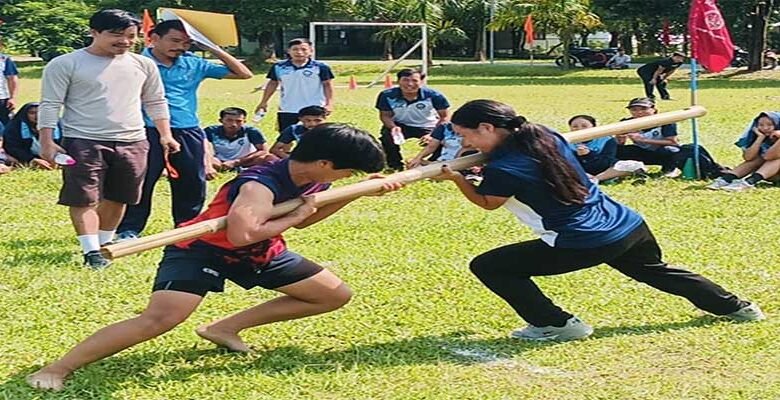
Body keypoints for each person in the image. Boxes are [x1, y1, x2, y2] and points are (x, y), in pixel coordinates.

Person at [26, 123, 403, 392]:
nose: (349, 176)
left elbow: (303, 221)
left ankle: (222, 328)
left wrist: (355, 192)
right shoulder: (259, 184)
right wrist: (296, 215)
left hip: (259, 251)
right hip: (202, 250)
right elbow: (243, 232)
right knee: (160, 318)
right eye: (349, 171)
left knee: (332, 294)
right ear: (324, 162)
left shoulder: (313, 179)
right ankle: (57, 368)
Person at [434, 99, 764, 342]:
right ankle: (737, 307)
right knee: (658, 272)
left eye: (467, 136)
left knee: (489, 266)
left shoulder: (505, 168)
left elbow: (487, 201)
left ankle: (558, 324)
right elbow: (506, 162)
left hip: (583, 241)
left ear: (488, 128)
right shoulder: (543, 136)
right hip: (628, 224)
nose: (466, 143)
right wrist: (470, 161)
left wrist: (457, 178)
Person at [37, 9, 178, 269]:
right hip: (83, 140)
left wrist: (165, 135)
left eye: (130, 36)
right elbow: (50, 104)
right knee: (83, 197)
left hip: (133, 140)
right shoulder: (66, 64)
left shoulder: (143, 64)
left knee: (120, 197)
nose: (124, 41)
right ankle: (90, 252)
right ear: (94, 32)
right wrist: (47, 141)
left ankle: (104, 245)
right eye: (116, 35)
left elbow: (156, 101)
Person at [116, 20, 253, 242]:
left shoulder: (193, 63)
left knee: (192, 182)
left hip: (187, 130)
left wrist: (212, 48)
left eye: (187, 42)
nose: (180, 46)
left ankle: (187, 228)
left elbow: (244, 74)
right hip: (146, 130)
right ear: (154, 38)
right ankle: (129, 229)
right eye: (175, 40)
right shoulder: (135, 63)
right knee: (141, 180)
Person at [376, 68, 450, 171]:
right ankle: (395, 164)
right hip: (401, 124)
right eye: (405, 80)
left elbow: (444, 117)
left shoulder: (434, 96)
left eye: (415, 81)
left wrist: (433, 134)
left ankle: (432, 163)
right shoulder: (387, 95)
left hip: (428, 125)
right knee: (387, 137)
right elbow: (385, 115)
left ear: (421, 82)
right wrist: (393, 127)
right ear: (398, 81)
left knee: (443, 139)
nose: (410, 84)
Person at [254, 38, 334, 132]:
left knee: (314, 136)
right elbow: (273, 83)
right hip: (288, 108)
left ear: (311, 51)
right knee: (285, 138)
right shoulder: (279, 66)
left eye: (304, 49)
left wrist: (329, 104)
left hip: (313, 108)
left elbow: (327, 85)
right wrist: (264, 102)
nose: (299, 52)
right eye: (295, 49)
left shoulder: (320, 67)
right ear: (289, 51)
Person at [707, 111, 780, 191]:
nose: (765, 128)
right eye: (761, 125)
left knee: (776, 159)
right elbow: (748, 157)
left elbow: (769, 156)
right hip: (771, 174)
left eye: (770, 125)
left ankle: (748, 182)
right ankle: (726, 179)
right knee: (758, 158)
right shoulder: (760, 136)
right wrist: (760, 138)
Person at [567, 115, 645, 183]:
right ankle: (592, 178)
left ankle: (595, 179)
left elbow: (607, 161)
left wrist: (588, 154)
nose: (579, 129)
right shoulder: (566, 142)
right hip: (580, 171)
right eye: (575, 126)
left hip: (606, 170)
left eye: (584, 126)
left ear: (593, 127)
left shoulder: (606, 140)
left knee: (636, 165)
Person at [616, 97, 680, 176]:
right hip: (642, 151)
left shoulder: (665, 121)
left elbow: (673, 142)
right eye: (634, 110)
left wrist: (643, 139)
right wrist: (620, 138)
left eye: (644, 109)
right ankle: (632, 169)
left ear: (653, 109)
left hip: (661, 151)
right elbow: (620, 144)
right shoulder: (627, 122)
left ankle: (669, 169)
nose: (639, 112)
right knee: (617, 150)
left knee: (670, 150)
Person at [205, 107, 274, 171]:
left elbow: (263, 150)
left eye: (238, 121)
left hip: (245, 160)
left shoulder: (251, 131)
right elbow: (204, 149)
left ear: (244, 122)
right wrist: (211, 160)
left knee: (268, 158)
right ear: (221, 120)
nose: (234, 124)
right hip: (219, 161)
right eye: (229, 120)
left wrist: (237, 162)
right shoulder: (211, 131)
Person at [2, 102, 63, 169]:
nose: (37, 116)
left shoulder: (58, 125)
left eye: (40, 113)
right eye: (32, 113)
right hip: (25, 156)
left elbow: (64, 144)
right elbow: (12, 147)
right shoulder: (15, 127)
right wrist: (30, 159)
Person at [0, 39, 20, 126]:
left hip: (2, 98)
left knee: (6, 125)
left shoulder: (5, 60)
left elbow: (12, 79)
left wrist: (12, 97)